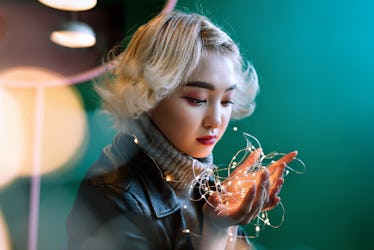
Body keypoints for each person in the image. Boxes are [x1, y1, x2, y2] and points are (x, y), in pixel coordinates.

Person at [65, 10, 296, 250]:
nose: (216, 120)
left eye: (227, 101)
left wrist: (227, 220)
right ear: (149, 94)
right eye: (197, 99)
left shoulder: (201, 183)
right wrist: (216, 229)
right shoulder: (114, 196)